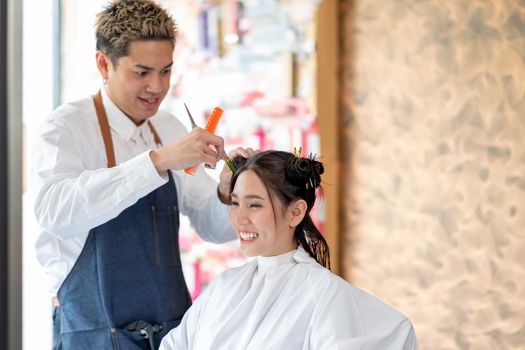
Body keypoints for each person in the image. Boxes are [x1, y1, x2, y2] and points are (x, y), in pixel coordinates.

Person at [30, 1, 253, 349]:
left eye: (166, 71)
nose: (157, 86)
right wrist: (157, 161)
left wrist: (227, 193)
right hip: (94, 335)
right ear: (104, 63)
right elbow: (55, 214)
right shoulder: (66, 127)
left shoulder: (168, 126)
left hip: (169, 334)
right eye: (142, 72)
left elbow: (213, 227)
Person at [159, 150, 419, 350]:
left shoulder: (324, 295)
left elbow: (398, 331)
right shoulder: (224, 286)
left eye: (255, 205)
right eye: (235, 203)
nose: (238, 219)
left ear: (295, 212)